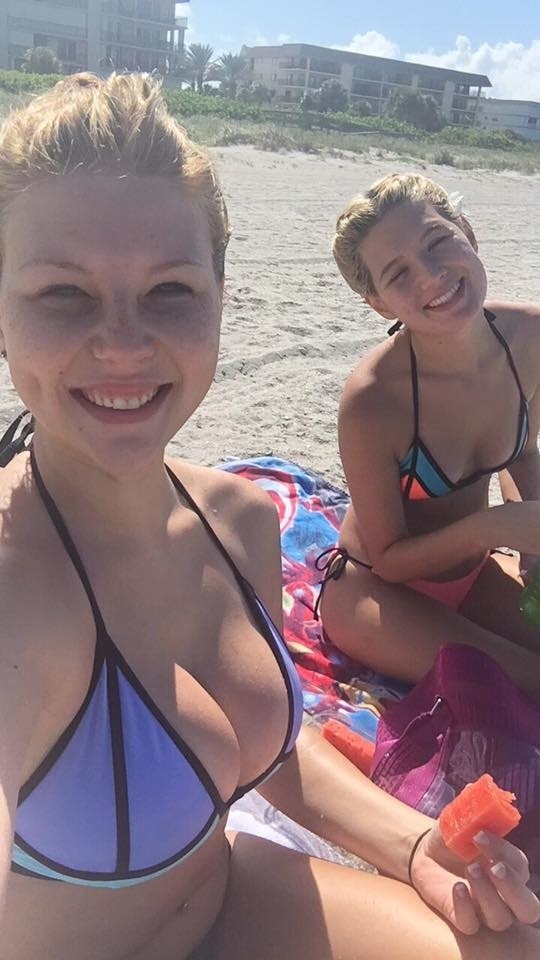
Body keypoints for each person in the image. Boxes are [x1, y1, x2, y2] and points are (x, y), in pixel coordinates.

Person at [0, 76, 539, 960]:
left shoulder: (238, 519)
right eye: (64, 294)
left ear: (220, 295)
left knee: (509, 944)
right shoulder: (13, 592)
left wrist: (417, 849)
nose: (125, 343)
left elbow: (273, 757)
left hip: (229, 897)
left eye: (171, 290)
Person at [320, 173, 540, 703]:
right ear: (379, 303)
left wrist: (532, 540)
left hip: (471, 573)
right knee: (531, 682)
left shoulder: (531, 338)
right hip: (375, 591)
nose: (432, 275)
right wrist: (494, 527)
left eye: (438, 241)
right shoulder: (374, 400)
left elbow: (524, 453)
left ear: (467, 231)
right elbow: (390, 559)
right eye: (399, 274)